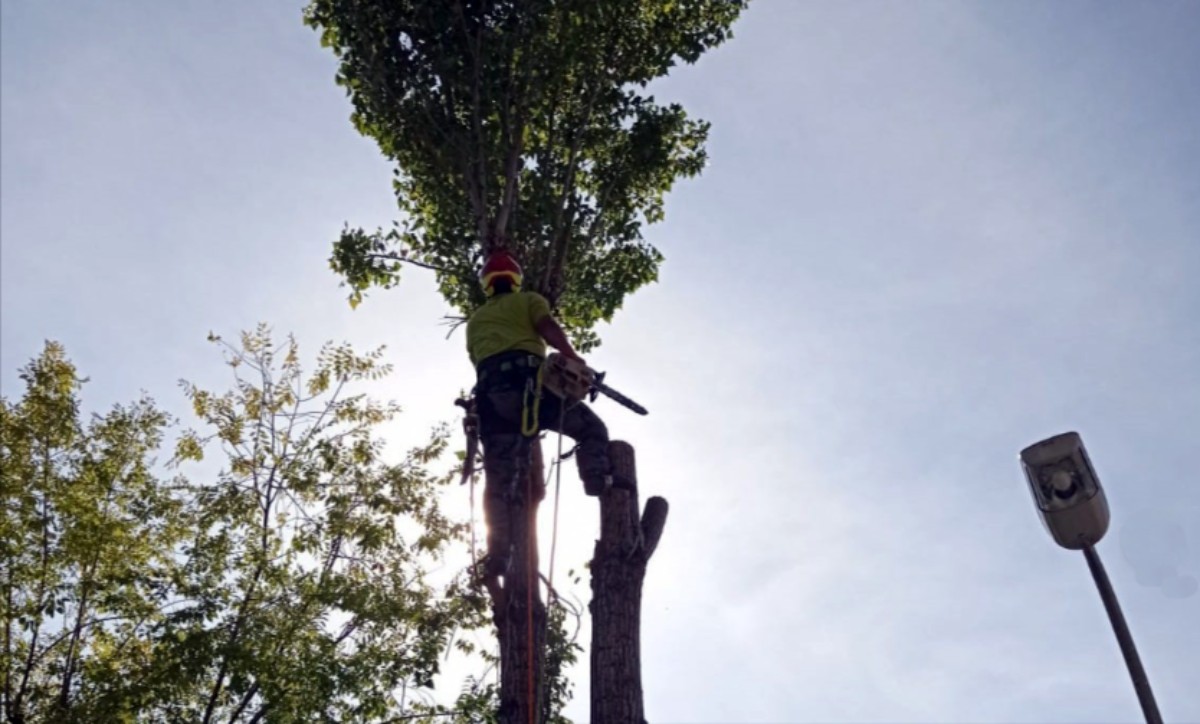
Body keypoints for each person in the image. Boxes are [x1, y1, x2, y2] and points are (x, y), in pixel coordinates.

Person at [466, 250, 616, 580]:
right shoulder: (529, 300)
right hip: (533, 392)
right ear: (516, 280)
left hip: (492, 402)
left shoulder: (476, 320)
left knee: (498, 480)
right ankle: (595, 478)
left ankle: (498, 554)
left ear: (487, 284)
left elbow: (479, 361)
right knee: (592, 430)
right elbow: (546, 326)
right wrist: (573, 357)